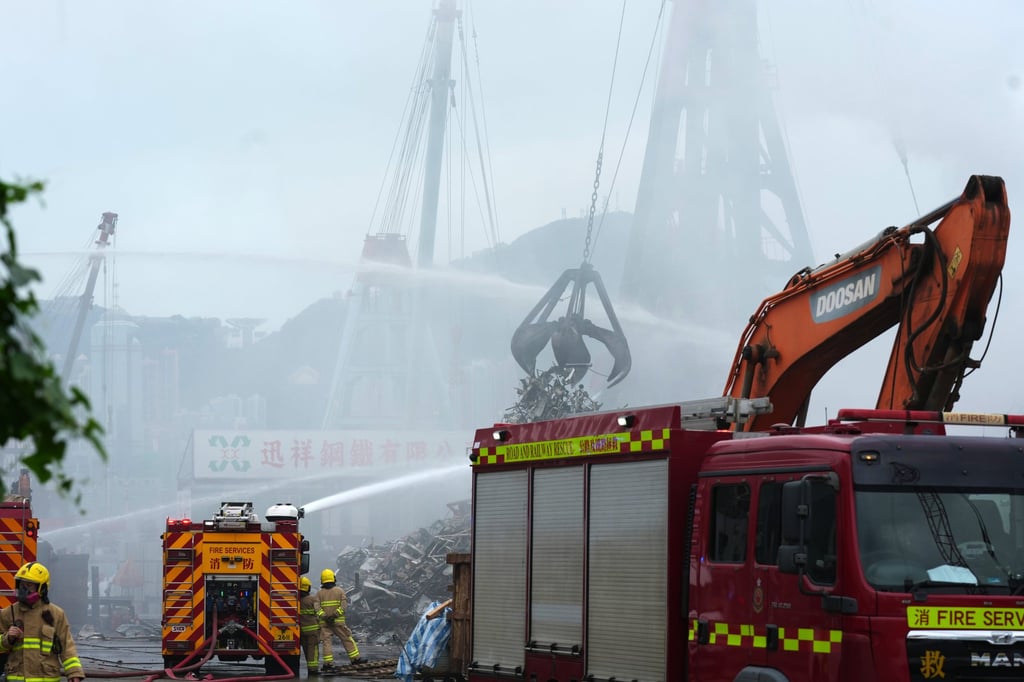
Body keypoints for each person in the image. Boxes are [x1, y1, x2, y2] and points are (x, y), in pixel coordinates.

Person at [0, 562, 84, 682]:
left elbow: (67, 647)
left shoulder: (56, 614)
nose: (24, 589)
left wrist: (74, 673)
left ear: (42, 588)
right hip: (17, 678)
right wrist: (7, 639)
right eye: (21, 584)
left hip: (47, 678)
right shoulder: (9, 613)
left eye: (29, 585)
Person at [316, 568, 363, 670]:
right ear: (333, 579)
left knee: (326, 643)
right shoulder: (340, 591)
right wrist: (335, 615)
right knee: (347, 639)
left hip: (325, 623)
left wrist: (324, 616)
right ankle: (355, 659)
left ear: (322, 580)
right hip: (338, 623)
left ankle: (328, 664)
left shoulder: (319, 594)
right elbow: (344, 606)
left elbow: (317, 608)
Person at [298, 576, 322, 675]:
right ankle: (313, 669)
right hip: (313, 630)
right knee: (313, 650)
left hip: (301, 630)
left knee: (305, 649)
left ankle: (309, 667)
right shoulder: (313, 599)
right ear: (308, 587)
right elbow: (319, 612)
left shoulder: (297, 601)